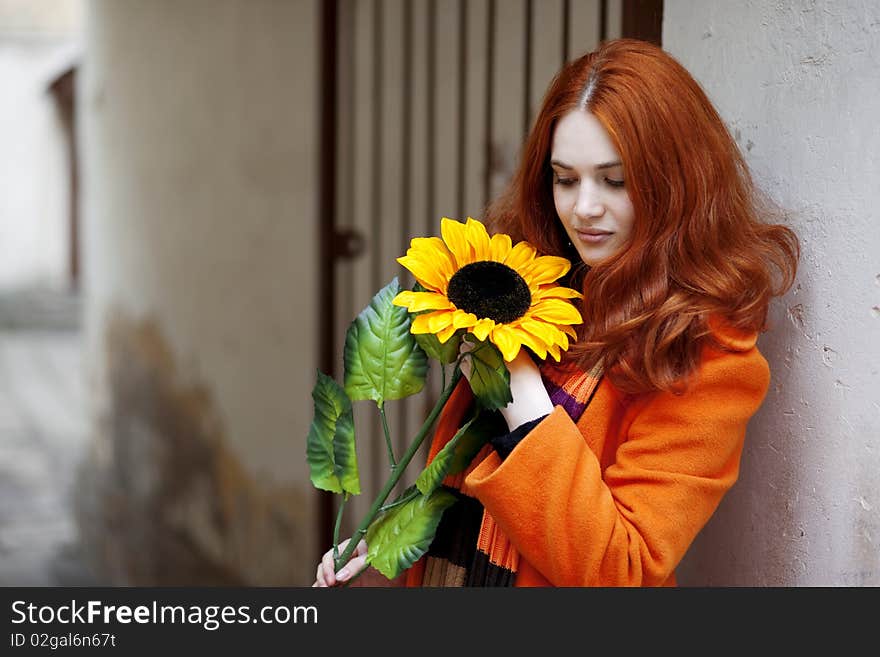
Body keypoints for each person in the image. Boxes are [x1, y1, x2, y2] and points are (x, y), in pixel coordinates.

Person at [313, 38, 799, 587]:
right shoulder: (532, 284)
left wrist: (522, 395)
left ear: (675, 182)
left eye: (615, 181)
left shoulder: (707, 355)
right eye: (565, 179)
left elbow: (625, 571)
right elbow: (461, 483)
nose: (584, 208)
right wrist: (386, 547)